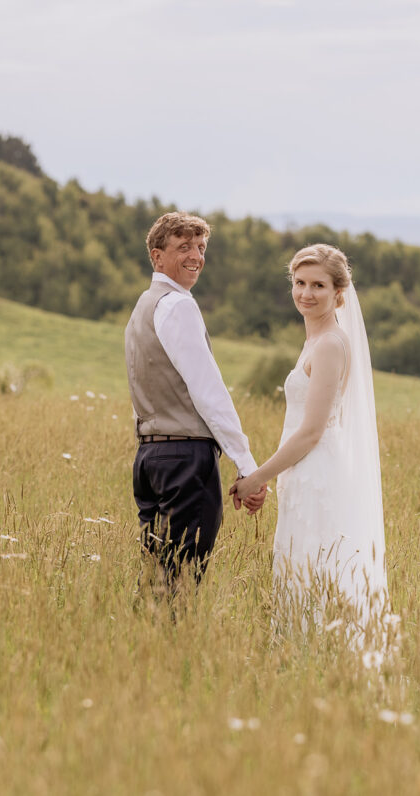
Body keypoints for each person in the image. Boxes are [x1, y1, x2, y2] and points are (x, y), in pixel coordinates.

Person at [232, 244, 389, 647]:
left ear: (339, 292)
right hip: (302, 471)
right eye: (300, 283)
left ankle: (322, 658)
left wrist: (256, 477)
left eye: (318, 285)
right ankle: (300, 660)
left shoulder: (331, 345)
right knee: (298, 571)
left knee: (318, 573)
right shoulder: (314, 340)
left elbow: (312, 431)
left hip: (320, 472)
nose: (306, 293)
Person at [124, 212, 266, 598]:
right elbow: (209, 392)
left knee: (156, 580)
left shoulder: (142, 307)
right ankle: (172, 652)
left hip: (149, 459)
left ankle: (145, 652)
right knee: (182, 581)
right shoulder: (178, 306)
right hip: (185, 460)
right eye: (183, 247)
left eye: (201, 248)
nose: (196, 256)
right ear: (157, 257)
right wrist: (247, 465)